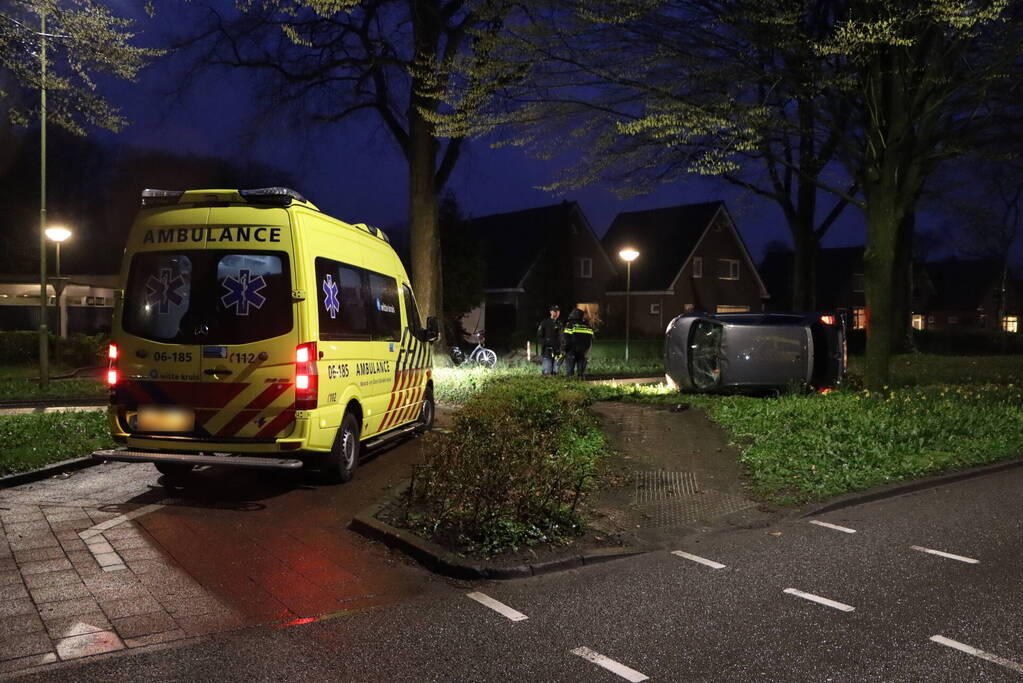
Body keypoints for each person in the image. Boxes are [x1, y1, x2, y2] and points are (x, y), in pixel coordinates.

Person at [563, 308, 594, 378]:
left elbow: (566, 340)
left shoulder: (570, 325)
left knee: (570, 374)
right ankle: (581, 384)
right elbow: (590, 340)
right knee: (581, 374)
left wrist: (565, 350)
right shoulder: (587, 326)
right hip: (582, 353)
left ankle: (571, 386)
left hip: (571, 352)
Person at [536, 304, 563, 375]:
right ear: (551, 312)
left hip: (557, 352)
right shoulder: (545, 323)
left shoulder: (560, 324)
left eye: (558, 311)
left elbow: (562, 338)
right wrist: (548, 343)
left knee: (556, 373)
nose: (557, 313)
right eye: (555, 311)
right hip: (547, 351)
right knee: (547, 373)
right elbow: (539, 337)